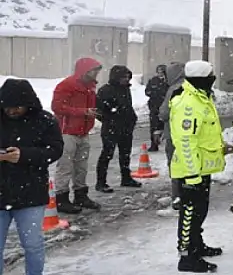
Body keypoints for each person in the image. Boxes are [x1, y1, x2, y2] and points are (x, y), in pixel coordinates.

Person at [0, 79, 64, 275]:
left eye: (17, 107)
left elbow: (55, 150)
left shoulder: (44, 120)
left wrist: (23, 155)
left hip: (31, 193)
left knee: (33, 245)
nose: (12, 111)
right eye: (7, 107)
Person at [169, 60, 225, 273]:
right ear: (203, 78)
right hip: (191, 171)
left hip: (201, 169)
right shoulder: (189, 103)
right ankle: (187, 257)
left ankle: (197, 245)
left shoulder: (201, 98)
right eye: (211, 75)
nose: (213, 79)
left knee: (199, 212)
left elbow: (204, 134)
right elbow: (186, 141)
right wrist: (192, 175)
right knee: (189, 214)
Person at [52, 57, 103, 214]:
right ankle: (61, 199)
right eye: (94, 70)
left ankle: (81, 195)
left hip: (83, 132)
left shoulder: (90, 87)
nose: (96, 74)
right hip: (67, 132)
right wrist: (83, 112)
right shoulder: (66, 85)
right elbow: (57, 107)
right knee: (65, 167)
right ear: (85, 71)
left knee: (81, 166)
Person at [95, 65, 142, 193]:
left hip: (126, 127)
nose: (126, 80)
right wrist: (110, 120)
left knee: (125, 154)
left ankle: (126, 178)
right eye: (123, 77)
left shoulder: (125, 89)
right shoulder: (105, 90)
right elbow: (99, 111)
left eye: (127, 77)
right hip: (111, 128)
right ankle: (101, 182)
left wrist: (132, 118)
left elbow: (127, 106)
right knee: (107, 154)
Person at [160, 61, 186, 210]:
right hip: (189, 134)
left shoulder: (174, 89)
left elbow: (164, 113)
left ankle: (177, 196)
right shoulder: (192, 86)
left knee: (175, 165)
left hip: (174, 133)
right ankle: (190, 193)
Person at [145, 64, 168, 152]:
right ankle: (154, 144)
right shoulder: (153, 81)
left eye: (162, 72)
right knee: (154, 126)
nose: (160, 73)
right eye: (158, 71)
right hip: (154, 107)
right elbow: (147, 91)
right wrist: (154, 93)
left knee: (166, 126)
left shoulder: (168, 81)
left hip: (165, 106)